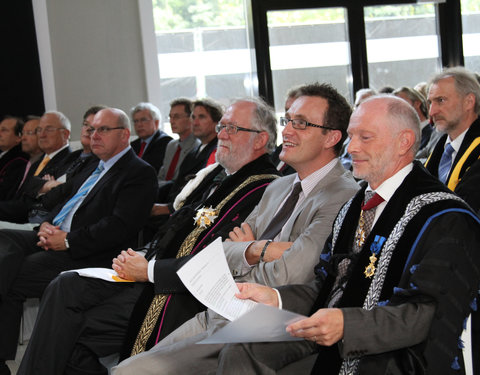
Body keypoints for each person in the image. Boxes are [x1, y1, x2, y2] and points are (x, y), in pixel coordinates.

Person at [212, 95, 480, 375]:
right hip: (333, 334)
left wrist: (347, 325)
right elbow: (327, 286)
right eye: (351, 136)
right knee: (241, 349)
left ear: (404, 142)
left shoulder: (445, 217)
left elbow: (430, 314)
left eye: (365, 137)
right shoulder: (353, 207)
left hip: (394, 352)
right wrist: (277, 298)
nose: (351, 148)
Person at [17, 97, 281, 375]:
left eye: (232, 128)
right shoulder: (222, 175)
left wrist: (150, 269)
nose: (221, 134)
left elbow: (225, 257)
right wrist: (145, 256)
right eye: (222, 126)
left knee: (66, 330)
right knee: (66, 284)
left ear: (261, 139)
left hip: (179, 291)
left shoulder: (265, 188)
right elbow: (178, 226)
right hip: (152, 267)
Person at [111, 83, 360, 374]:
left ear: (331, 136)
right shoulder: (278, 187)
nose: (288, 131)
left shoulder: (342, 193)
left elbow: (293, 273)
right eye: (288, 120)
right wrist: (258, 249)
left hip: (270, 322)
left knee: (130, 373)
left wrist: (244, 257)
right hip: (222, 309)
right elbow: (221, 251)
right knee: (126, 365)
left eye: (301, 123)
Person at [0, 108, 158, 375]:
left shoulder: (138, 172)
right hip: (55, 236)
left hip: (88, 252)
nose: (94, 135)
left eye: (103, 130)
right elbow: (61, 201)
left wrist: (69, 240)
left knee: (12, 275)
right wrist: (47, 225)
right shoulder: (91, 166)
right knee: (4, 240)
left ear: (124, 135)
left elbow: (119, 227)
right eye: (92, 129)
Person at [0, 111, 75, 223]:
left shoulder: (71, 162)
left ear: (65, 134)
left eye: (49, 129)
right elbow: (25, 197)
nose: (42, 134)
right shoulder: (36, 163)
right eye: (39, 130)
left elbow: (37, 204)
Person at [152, 99, 221, 217]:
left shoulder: (217, 151)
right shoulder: (195, 151)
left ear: (216, 122)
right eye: (193, 117)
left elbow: (203, 190)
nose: (195, 122)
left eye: (202, 117)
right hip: (177, 206)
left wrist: (168, 208)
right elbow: (178, 183)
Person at [425, 66, 480, 212]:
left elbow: (465, 207)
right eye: (430, 102)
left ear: (469, 101)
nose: (432, 111)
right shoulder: (442, 146)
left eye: (440, 100)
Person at [157, 98, 200, 184]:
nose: (171, 121)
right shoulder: (171, 145)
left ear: (191, 118)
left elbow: (184, 181)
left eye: (176, 117)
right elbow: (161, 176)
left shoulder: (197, 145)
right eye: (170, 117)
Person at [130, 102, 172, 173]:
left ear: (156, 122)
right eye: (136, 121)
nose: (139, 124)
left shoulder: (166, 142)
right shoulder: (133, 145)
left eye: (143, 120)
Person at [393, 86, 433, 151]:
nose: (398, 110)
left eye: (402, 103)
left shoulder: (432, 135)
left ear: (417, 103)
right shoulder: (400, 137)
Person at [0, 116, 29, 200]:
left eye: (4, 130)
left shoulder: (19, 161)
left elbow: (5, 193)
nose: (0, 133)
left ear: (19, 137)